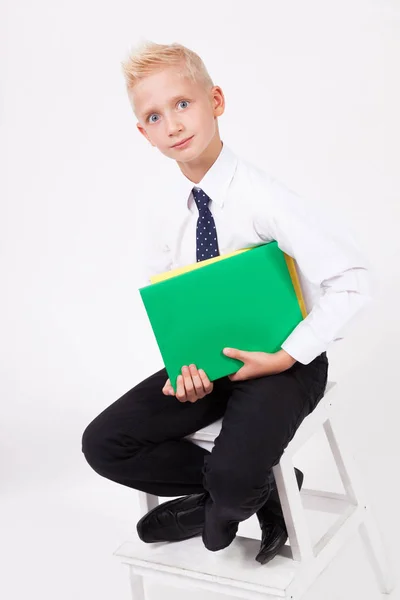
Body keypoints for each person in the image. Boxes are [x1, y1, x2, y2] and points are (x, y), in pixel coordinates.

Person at [81, 40, 372, 564]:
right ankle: (255, 491)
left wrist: (287, 355)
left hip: (285, 363)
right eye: (154, 115)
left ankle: (232, 491)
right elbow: (178, 306)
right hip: (213, 364)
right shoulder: (164, 214)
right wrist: (183, 368)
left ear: (215, 100)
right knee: (104, 444)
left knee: (228, 500)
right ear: (143, 133)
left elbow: (353, 280)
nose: (172, 124)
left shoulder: (266, 198)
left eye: (183, 104)